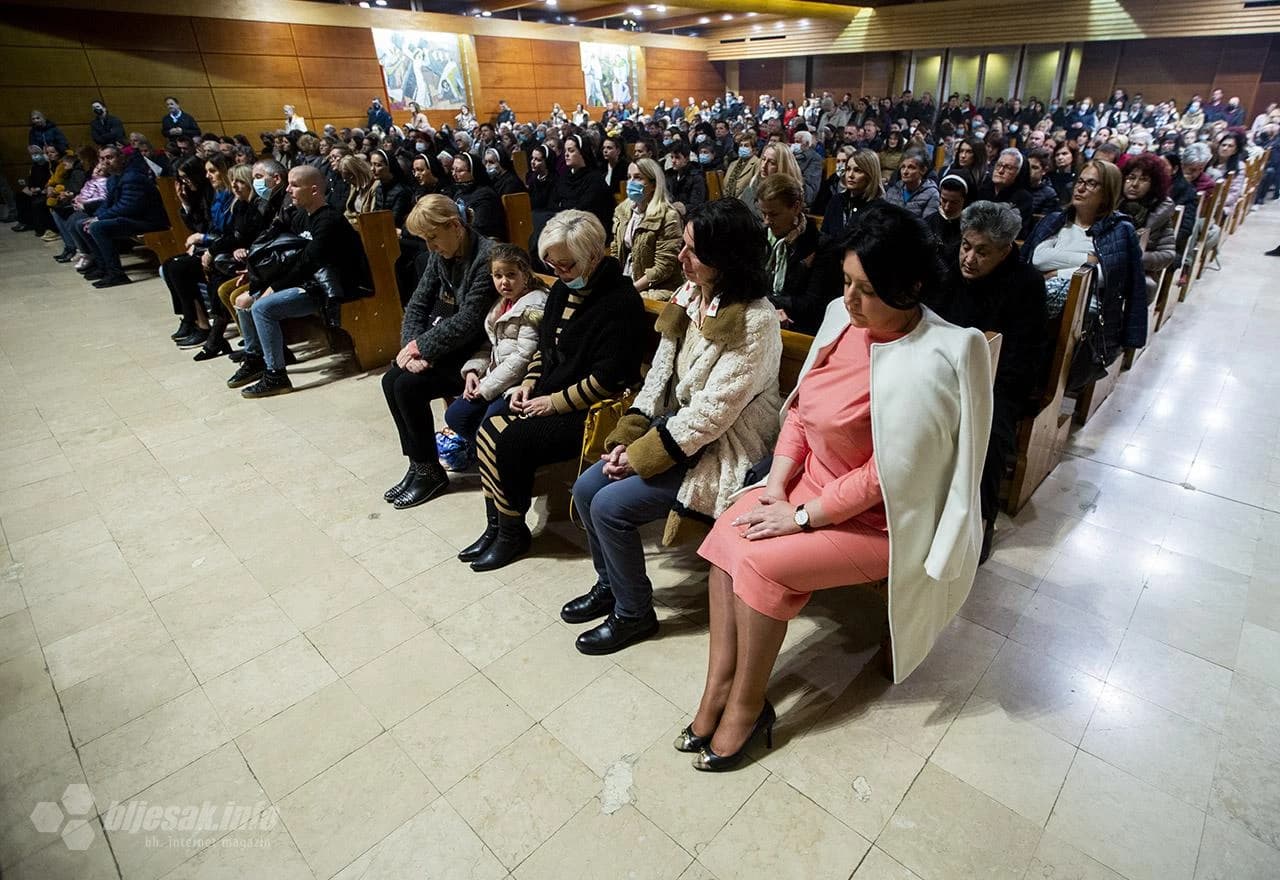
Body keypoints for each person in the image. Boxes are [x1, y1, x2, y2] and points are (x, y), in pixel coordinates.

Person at [687, 203, 993, 770]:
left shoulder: (938, 354)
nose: (850, 300)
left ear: (911, 287)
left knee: (760, 562)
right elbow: (801, 411)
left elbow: (890, 474)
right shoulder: (841, 319)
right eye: (846, 282)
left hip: (880, 521)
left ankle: (748, 707)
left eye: (868, 290)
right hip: (805, 487)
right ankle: (718, 689)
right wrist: (777, 486)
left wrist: (801, 518)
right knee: (725, 542)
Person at [565, 199, 783, 654]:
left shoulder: (756, 320)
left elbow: (713, 414)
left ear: (728, 260)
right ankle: (611, 584)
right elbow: (659, 377)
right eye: (682, 246)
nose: (680, 260)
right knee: (586, 489)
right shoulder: (691, 295)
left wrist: (641, 456)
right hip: (678, 432)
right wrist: (629, 437)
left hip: (726, 448)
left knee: (610, 508)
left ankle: (634, 613)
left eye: (693, 252)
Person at [464, 210, 647, 572]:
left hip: (592, 409)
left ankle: (511, 531)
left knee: (506, 437)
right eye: (552, 263)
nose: (558, 272)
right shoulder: (563, 289)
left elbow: (610, 378)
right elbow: (544, 351)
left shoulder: (620, 302)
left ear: (593, 256)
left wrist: (552, 402)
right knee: (488, 426)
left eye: (565, 264)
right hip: (552, 393)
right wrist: (530, 383)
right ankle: (500, 525)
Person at [927, 201, 1048, 559]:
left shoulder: (1026, 283)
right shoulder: (948, 263)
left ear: (1006, 248)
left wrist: (978, 391)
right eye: (967, 245)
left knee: (989, 436)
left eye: (983, 252)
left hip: (995, 387)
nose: (969, 258)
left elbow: (1024, 356)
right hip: (939, 372)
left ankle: (981, 519)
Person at [382, 195, 498, 508]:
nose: (431, 247)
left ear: (455, 226)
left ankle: (431, 472)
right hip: (451, 345)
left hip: (481, 351)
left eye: (433, 238)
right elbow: (419, 303)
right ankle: (418, 465)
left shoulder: (488, 257)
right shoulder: (441, 253)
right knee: (391, 380)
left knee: (408, 387)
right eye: (425, 240)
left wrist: (422, 347)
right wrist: (411, 347)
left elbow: (471, 321)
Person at [228, 164, 370, 398]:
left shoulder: (329, 221)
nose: (288, 190)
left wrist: (273, 288)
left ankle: (276, 375)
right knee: (245, 300)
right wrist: (259, 279)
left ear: (314, 190)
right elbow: (283, 253)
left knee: (263, 307)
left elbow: (307, 263)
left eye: (294, 185)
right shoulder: (301, 215)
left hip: (333, 288)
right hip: (310, 282)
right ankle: (255, 358)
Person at [1023, 160, 1146, 362]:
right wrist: (1085, 259)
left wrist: (1056, 273)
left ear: (1107, 192)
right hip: (1042, 297)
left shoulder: (1120, 230)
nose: (1080, 188)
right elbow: (1037, 258)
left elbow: (1106, 276)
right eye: (1080, 181)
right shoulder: (1056, 220)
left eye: (1091, 184)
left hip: (1089, 306)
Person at [441, 244, 548, 474]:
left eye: (511, 275)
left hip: (519, 385)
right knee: (455, 415)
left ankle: (506, 463)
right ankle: (490, 454)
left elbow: (524, 356)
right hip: (495, 379)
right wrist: (473, 372)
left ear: (525, 274)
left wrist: (487, 387)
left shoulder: (534, 304)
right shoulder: (501, 303)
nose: (504, 282)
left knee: (487, 428)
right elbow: (490, 344)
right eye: (498, 276)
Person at [73, 145, 168, 288]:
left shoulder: (132, 176)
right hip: (132, 217)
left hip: (148, 221)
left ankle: (116, 274)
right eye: (102, 158)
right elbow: (107, 203)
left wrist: (99, 219)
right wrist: (97, 216)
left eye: (110, 158)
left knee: (98, 227)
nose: (105, 162)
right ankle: (103, 267)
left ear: (121, 158)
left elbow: (128, 206)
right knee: (82, 224)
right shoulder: (114, 178)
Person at [757, 175, 823, 334]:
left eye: (773, 214)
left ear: (796, 207)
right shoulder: (759, 237)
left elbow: (812, 304)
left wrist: (768, 304)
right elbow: (747, 283)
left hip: (798, 326)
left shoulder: (819, 245)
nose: (767, 221)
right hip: (761, 316)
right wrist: (770, 309)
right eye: (763, 214)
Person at [610, 158, 683, 299]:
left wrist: (631, 289)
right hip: (628, 277)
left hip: (658, 286)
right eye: (629, 177)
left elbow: (663, 267)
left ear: (654, 184)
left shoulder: (668, 215)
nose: (631, 182)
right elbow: (616, 250)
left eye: (637, 178)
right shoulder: (623, 210)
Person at [1119, 153, 1178, 303]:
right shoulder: (1111, 201)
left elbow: (1167, 254)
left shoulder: (1159, 212)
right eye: (1131, 177)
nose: (1135, 184)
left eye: (1144, 180)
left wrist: (1137, 258)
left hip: (1136, 271)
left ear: (1154, 185)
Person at [820, 149, 885, 242]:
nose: (850, 175)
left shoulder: (879, 209)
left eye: (857, 170)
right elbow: (824, 236)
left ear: (870, 174)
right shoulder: (836, 200)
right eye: (848, 169)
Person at [975, 148, 1034, 237]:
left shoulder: (1024, 198)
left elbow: (1017, 231)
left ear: (1018, 172)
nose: (1000, 171)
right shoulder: (982, 188)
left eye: (1008, 168)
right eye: (998, 165)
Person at [449, 152, 505, 240]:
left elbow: (480, 230)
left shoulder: (486, 195)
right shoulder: (459, 192)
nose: (453, 174)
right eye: (453, 170)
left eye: (459, 171)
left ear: (473, 172)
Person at [926, 173, 973, 265]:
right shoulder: (928, 221)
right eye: (944, 200)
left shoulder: (970, 226)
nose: (947, 207)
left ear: (964, 200)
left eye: (954, 202)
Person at [884, 149, 939, 218]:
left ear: (923, 170)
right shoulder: (894, 189)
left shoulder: (931, 194)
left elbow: (927, 224)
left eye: (911, 167)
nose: (905, 172)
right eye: (903, 167)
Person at [370, 148, 413, 228]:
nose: (372, 169)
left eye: (378, 165)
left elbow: (394, 220)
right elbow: (375, 214)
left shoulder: (402, 191)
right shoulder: (379, 187)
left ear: (390, 167)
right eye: (371, 164)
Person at [665, 142, 707, 216]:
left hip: (689, 216)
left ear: (686, 159)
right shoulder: (670, 175)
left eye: (677, 157)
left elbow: (696, 204)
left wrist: (680, 209)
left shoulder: (696, 177)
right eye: (672, 157)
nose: (673, 161)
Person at [722, 134, 759, 201]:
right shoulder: (733, 164)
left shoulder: (757, 163)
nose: (742, 148)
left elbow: (755, 186)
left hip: (745, 203)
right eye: (741, 145)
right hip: (728, 201)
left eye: (746, 146)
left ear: (753, 149)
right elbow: (725, 185)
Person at [1025, 147, 1060, 216]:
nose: (1029, 170)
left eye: (1034, 167)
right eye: (1027, 166)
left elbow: (1043, 222)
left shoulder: (1049, 194)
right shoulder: (1017, 185)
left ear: (1044, 170)